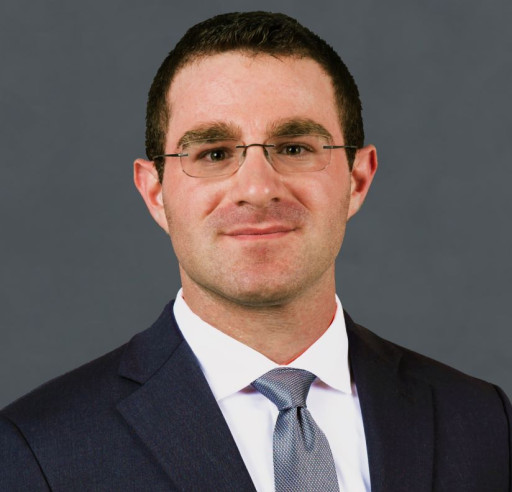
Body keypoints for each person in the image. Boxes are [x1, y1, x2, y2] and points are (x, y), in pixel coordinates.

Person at [1, 11, 510, 492]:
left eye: (294, 148)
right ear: (156, 193)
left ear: (357, 179)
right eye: (214, 153)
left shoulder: (482, 421)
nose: (258, 189)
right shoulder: (39, 451)